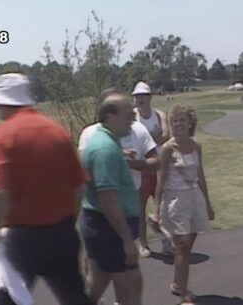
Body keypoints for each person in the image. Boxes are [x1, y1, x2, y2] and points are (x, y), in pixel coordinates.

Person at [0, 73, 93, 305]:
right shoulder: (57, 131)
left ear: (4, 103)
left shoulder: (1, 136)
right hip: (62, 232)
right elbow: (77, 186)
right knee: (74, 297)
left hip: (23, 237)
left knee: (9, 299)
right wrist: (66, 223)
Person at [78, 88, 160, 258]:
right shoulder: (90, 134)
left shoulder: (138, 129)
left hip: (131, 195)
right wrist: (116, 158)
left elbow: (156, 161)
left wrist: (133, 163)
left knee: (112, 272)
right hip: (100, 208)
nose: (131, 117)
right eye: (126, 112)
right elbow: (82, 167)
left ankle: (142, 243)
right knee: (109, 267)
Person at [79, 92, 143, 305]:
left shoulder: (107, 142)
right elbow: (108, 199)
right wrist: (127, 241)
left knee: (96, 283)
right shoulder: (105, 148)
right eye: (128, 114)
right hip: (110, 230)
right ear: (109, 116)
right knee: (130, 287)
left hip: (102, 227)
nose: (133, 118)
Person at [153, 103, 214, 305]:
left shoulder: (196, 146)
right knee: (182, 245)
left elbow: (201, 176)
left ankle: (178, 283)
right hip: (176, 200)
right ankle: (183, 292)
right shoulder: (167, 149)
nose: (178, 124)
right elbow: (160, 181)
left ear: (190, 124)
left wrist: (207, 203)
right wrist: (157, 210)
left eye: (182, 120)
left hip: (194, 197)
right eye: (175, 120)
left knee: (187, 247)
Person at [131, 81, 173, 255]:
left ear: (149, 97)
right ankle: (143, 243)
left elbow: (165, 136)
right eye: (137, 96)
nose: (139, 99)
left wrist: (147, 139)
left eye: (143, 95)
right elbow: (134, 139)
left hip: (159, 166)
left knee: (162, 205)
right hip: (141, 166)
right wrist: (152, 137)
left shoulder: (159, 114)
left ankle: (164, 241)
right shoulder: (132, 116)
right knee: (140, 207)